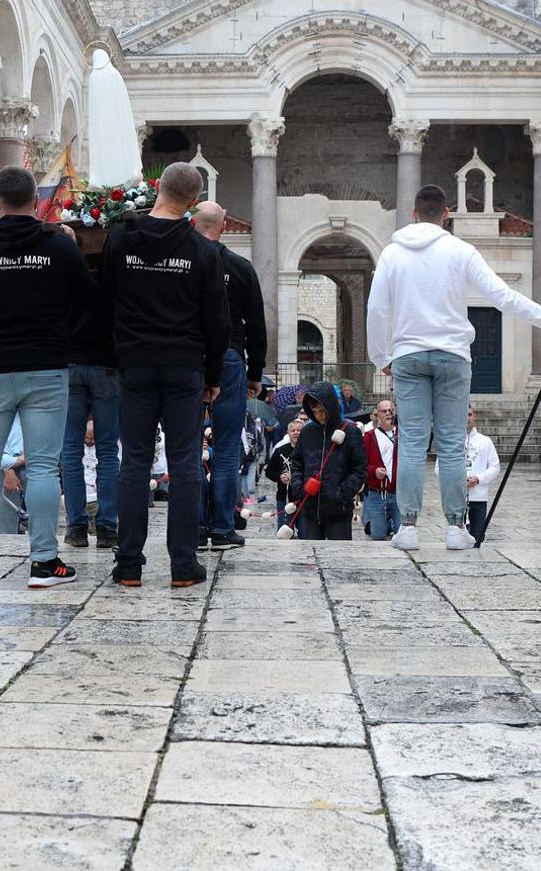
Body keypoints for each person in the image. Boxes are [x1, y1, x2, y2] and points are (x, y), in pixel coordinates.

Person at [367, 183, 541, 552]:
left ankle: (410, 529)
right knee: (450, 444)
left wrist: (382, 357)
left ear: (415, 214)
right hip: (452, 355)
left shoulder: (392, 254)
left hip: (409, 355)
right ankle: (454, 528)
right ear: (446, 215)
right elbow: (503, 296)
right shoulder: (461, 250)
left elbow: (376, 310)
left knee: (413, 444)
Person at [0, 166, 87, 590]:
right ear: (35, 201)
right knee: (44, 467)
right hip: (46, 368)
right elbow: (87, 304)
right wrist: (63, 339)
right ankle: (44, 563)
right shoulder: (60, 249)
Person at [102, 161, 230, 588]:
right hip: (183, 364)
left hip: (135, 362)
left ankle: (129, 564)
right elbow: (218, 321)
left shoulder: (123, 237)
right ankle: (182, 564)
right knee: (185, 461)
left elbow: (106, 299)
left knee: (134, 460)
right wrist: (214, 374)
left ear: (158, 189)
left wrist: (114, 355)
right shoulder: (202, 251)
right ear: (193, 202)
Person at [193, 201, 267, 551]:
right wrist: (256, 371)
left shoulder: (184, 264)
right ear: (223, 227)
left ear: (194, 224)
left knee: (188, 448)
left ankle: (194, 527)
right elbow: (256, 324)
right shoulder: (239, 267)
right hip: (231, 358)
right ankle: (222, 529)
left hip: (191, 359)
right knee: (225, 449)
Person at [62, 250, 122, 550]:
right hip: (107, 365)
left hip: (71, 364)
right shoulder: (114, 282)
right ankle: (108, 527)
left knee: (70, 450)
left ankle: (76, 527)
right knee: (108, 450)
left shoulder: (66, 278)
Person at [285, 381, 367, 541]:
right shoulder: (307, 431)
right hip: (310, 509)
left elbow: (360, 469)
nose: (319, 416)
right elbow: (297, 463)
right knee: (311, 558)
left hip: (339, 511)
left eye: (322, 411)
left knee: (338, 559)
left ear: (331, 407)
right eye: (314, 411)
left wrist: (341, 494)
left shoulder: (350, 431)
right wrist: (300, 489)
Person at [458, 406, 501, 545]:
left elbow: (495, 467)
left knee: (477, 538)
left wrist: (479, 479)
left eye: (469, 414)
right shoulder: (451, 441)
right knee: (457, 540)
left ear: (474, 416)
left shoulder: (485, 441)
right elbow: (439, 467)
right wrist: (458, 480)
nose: (466, 418)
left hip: (478, 497)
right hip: (457, 497)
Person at [361, 399, 400, 540]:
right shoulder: (369, 436)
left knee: (402, 533)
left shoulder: (402, 434)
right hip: (377, 492)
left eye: (390, 410)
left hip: (398, 493)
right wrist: (373, 471)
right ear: (377, 415)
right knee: (378, 535)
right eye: (384, 411)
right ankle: (372, 522)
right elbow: (362, 464)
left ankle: (388, 522)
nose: (388, 413)